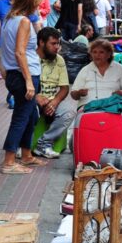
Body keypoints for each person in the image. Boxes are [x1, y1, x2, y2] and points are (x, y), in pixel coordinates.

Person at [0, 0, 46, 174]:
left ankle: (26, 154)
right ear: (31, 0)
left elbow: (5, 48)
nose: (39, 5)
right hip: (23, 75)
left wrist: (5, 70)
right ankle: (9, 161)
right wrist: (28, 80)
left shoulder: (10, 19)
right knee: (21, 117)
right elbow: (20, 52)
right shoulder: (24, 22)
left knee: (31, 115)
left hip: (14, 74)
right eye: (38, 1)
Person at [33, 27, 77, 159]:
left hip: (52, 100)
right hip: (32, 99)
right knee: (27, 111)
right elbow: (22, 86)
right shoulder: (31, 58)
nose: (57, 47)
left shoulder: (59, 60)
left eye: (58, 43)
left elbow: (64, 88)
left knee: (69, 112)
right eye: (53, 43)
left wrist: (55, 102)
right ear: (41, 42)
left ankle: (44, 143)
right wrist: (36, 97)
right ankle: (23, 145)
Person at [71, 39, 122, 109]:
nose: (97, 55)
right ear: (91, 54)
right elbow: (73, 94)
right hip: (88, 107)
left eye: (101, 52)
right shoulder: (85, 70)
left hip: (114, 106)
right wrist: (79, 93)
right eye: (94, 52)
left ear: (109, 54)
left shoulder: (120, 69)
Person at [0, 0, 24, 109]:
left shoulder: (24, 4)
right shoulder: (0, 3)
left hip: (21, 43)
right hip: (3, 44)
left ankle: (13, 95)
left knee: (18, 70)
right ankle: (11, 92)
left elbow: (35, 21)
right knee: (4, 72)